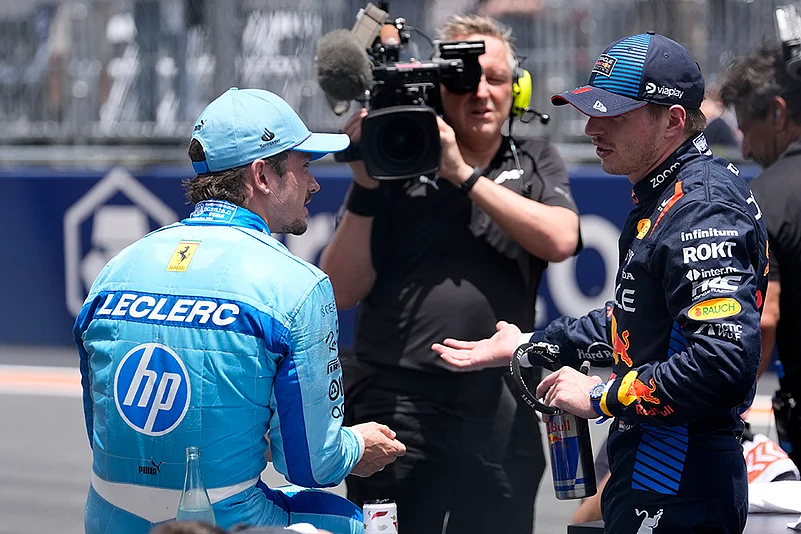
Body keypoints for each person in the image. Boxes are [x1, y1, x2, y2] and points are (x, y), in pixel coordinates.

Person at [433, 32, 769, 533]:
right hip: (657, 473)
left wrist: (598, 396)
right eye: (592, 111)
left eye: (613, 115)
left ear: (673, 120)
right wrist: (528, 344)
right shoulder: (665, 197)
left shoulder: (701, 206)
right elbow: (636, 320)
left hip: (681, 480)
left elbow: (721, 364)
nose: (591, 127)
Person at [74, 87, 406, 534]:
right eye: (304, 166)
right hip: (217, 521)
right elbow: (313, 467)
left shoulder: (115, 270)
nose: (314, 183)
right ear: (262, 177)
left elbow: (104, 432)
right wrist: (355, 445)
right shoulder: (297, 286)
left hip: (108, 516)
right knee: (356, 520)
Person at [319, 14, 581, 534]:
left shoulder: (534, 161)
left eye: (496, 79)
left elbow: (561, 239)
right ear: (437, 89)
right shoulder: (392, 166)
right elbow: (340, 291)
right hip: (395, 405)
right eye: (462, 79)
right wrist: (367, 185)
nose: (481, 93)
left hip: (498, 403)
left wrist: (460, 174)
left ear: (517, 89)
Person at [720, 41, 801, 470]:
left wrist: (726, 409)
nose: (746, 150)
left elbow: (763, 319)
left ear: (777, 112)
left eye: (746, 130)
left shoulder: (764, 199)